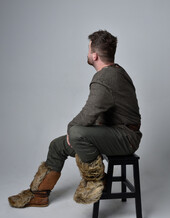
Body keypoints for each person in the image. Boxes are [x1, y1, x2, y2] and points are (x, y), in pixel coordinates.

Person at [8, 30, 142, 208]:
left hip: (126, 138)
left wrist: (73, 129)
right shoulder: (116, 72)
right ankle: (39, 194)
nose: (87, 54)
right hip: (114, 133)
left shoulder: (105, 78)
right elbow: (96, 115)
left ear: (94, 55)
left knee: (77, 132)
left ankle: (97, 180)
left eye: (88, 50)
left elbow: (89, 113)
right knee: (57, 145)